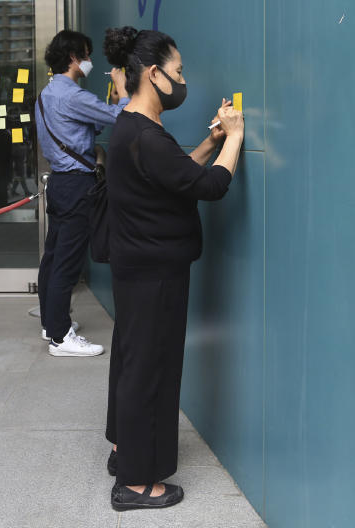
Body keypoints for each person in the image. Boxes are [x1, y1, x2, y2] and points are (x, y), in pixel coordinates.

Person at [102, 26, 244, 511]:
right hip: (155, 271)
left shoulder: (133, 129)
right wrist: (236, 137)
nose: (183, 80)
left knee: (132, 360)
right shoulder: (146, 135)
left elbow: (178, 176)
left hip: (135, 267)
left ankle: (125, 449)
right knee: (151, 368)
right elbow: (210, 187)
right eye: (178, 71)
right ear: (153, 74)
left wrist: (211, 140)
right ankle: (137, 482)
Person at [36, 29, 130, 356]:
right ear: (74, 57)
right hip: (78, 183)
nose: (90, 61)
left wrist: (107, 108)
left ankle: (51, 322)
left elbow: (81, 127)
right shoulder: (73, 95)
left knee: (53, 256)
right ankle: (61, 338)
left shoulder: (47, 95)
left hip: (60, 182)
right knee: (68, 261)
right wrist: (122, 90)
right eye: (87, 55)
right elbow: (123, 116)